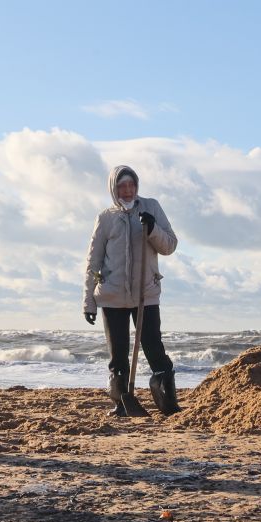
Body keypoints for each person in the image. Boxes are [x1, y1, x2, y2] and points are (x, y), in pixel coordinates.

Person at [83, 165, 179, 416]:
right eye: (121, 186)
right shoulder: (105, 218)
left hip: (145, 293)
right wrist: (89, 302)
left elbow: (169, 245)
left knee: (153, 347)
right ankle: (121, 403)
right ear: (114, 189)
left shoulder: (152, 207)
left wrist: (152, 229)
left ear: (137, 186)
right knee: (118, 355)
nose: (127, 191)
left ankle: (168, 403)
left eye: (131, 185)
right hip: (112, 295)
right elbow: (93, 262)